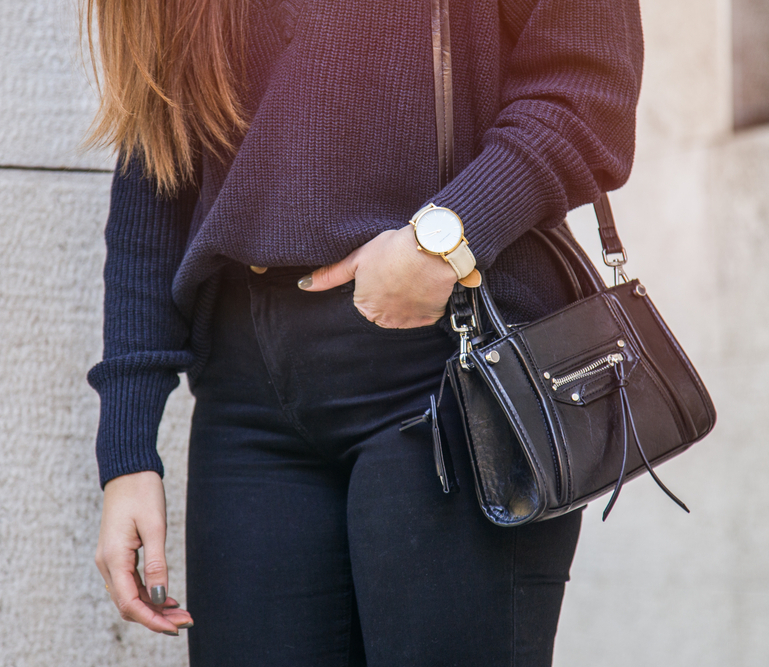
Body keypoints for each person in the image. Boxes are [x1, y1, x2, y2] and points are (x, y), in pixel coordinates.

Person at [84, 0, 643, 664]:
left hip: (447, 370)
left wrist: (444, 239)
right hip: (247, 403)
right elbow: (159, 155)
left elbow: (588, 91)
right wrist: (127, 449)